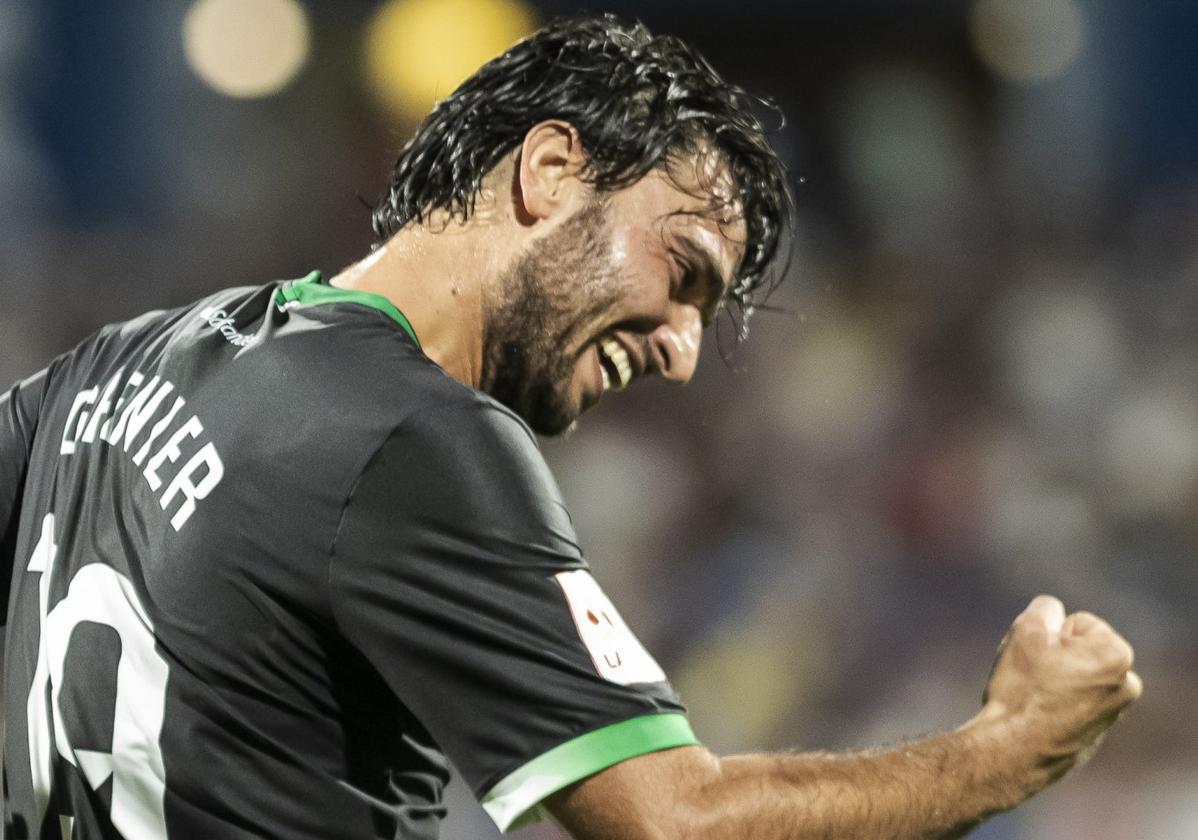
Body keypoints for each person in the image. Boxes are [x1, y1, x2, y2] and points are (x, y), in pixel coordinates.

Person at [0, 14, 1140, 840]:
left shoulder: (120, 361)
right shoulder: (410, 435)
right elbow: (672, 825)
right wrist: (1004, 751)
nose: (682, 354)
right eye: (683, 271)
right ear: (550, 171)